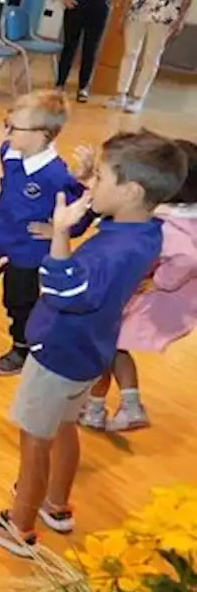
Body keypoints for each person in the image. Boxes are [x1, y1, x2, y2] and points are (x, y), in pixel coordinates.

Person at [0, 131, 186, 556]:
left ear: (131, 190)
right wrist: (89, 185)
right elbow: (110, 222)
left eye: (101, 178)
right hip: (90, 350)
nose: (92, 184)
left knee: (34, 442)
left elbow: (63, 290)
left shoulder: (111, 252)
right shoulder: (144, 230)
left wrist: (60, 235)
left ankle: (19, 526)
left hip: (59, 351)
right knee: (64, 427)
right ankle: (56, 505)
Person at [0, 92, 90, 377]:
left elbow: (83, 211)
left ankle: (22, 347)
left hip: (27, 251)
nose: (7, 133)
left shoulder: (56, 177)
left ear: (43, 135)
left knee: (19, 300)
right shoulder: (9, 152)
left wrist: (59, 230)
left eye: (14, 128)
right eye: (7, 124)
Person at [82, 139, 197, 432]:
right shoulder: (177, 216)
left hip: (145, 299)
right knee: (113, 348)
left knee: (105, 346)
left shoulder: (171, 225)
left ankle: (97, 408)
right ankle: (123, 403)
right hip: (140, 296)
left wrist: (157, 281)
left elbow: (186, 258)